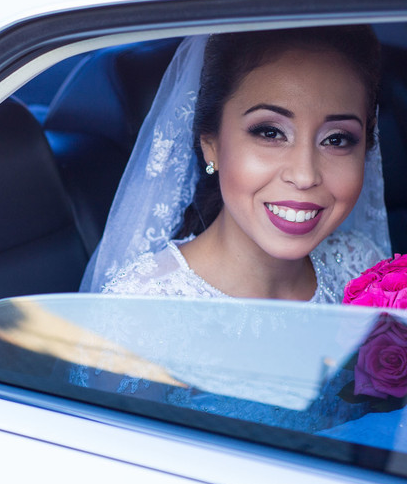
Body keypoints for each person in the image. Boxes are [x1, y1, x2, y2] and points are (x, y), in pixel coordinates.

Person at [81, 26, 391, 301]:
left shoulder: (364, 269)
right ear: (210, 144)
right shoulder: (142, 309)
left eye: (336, 139)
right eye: (270, 133)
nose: (304, 175)